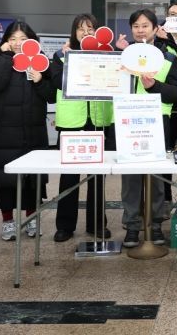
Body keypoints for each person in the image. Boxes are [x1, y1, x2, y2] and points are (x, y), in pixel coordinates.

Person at [0, 21, 56, 241]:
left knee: (33, 179)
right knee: (4, 179)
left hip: (33, 130)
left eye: (23, 39)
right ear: (6, 41)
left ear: (31, 40)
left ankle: (32, 218)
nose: (17, 43)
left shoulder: (41, 61)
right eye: (12, 39)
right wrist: (5, 57)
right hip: (3, 131)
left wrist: (40, 81)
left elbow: (51, 96)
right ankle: (7, 221)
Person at [117, 9, 177, 247]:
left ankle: (155, 225)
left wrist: (154, 85)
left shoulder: (168, 58)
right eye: (136, 26)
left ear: (156, 29)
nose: (140, 30)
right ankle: (132, 226)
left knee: (156, 177)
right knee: (130, 178)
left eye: (145, 26)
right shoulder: (122, 56)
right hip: (127, 122)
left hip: (157, 122)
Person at [50, 13, 114, 242]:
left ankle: (97, 224)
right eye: (81, 29)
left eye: (90, 29)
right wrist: (70, 61)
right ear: (74, 32)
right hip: (72, 122)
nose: (85, 33)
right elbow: (56, 82)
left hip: (97, 119)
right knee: (69, 176)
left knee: (97, 176)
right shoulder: (61, 56)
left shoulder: (107, 54)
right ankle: (65, 225)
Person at [156, 2, 177, 207]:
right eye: (172, 14)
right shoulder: (158, 41)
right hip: (167, 105)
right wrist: (163, 41)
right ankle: (164, 200)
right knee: (165, 154)